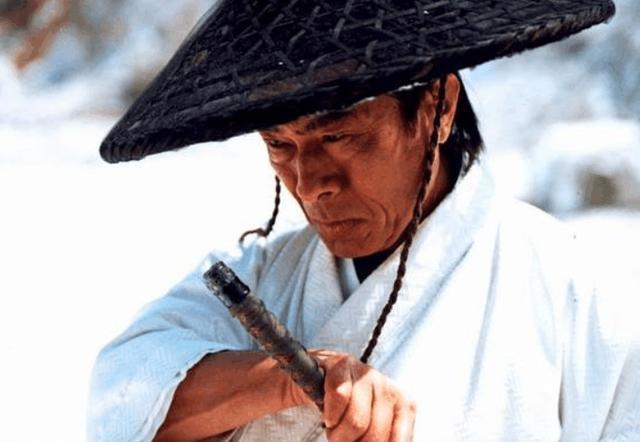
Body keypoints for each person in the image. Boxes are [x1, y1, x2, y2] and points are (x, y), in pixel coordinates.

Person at [89, 1, 639, 441]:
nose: (310, 183)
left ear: (438, 107)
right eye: (280, 145)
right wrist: (292, 379)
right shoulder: (261, 276)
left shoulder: (573, 290)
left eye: (337, 135)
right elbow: (125, 395)